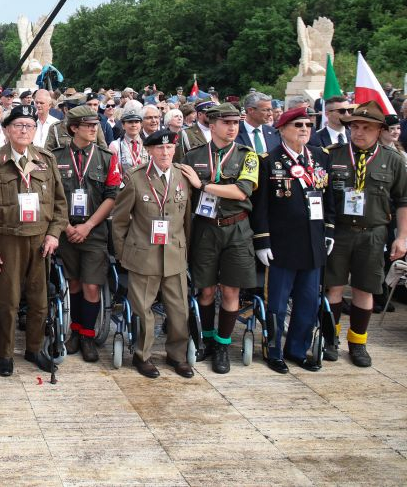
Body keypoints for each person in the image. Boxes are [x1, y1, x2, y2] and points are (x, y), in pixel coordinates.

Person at [0, 104, 68, 377]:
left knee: (40, 300)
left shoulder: (46, 160)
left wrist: (53, 234)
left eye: (29, 125)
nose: (24, 130)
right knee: (9, 301)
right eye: (17, 125)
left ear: (35, 129)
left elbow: (60, 205)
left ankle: (35, 348)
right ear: (6, 130)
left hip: (40, 241)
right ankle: (4, 353)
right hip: (8, 241)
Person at [322, 101, 407, 367]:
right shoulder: (332, 155)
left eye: (366, 128)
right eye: (355, 127)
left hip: (373, 233)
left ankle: (358, 343)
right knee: (333, 287)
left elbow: (403, 201)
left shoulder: (392, 160)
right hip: (339, 233)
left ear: (379, 129)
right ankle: (329, 338)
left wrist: (402, 236)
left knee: (365, 288)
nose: (359, 132)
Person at [180, 102, 260, 374]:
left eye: (236, 123)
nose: (232, 128)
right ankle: (208, 339)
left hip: (236, 228)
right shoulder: (193, 156)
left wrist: (202, 185)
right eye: (226, 123)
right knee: (205, 290)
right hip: (205, 227)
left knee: (231, 290)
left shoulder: (247, 155)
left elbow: (241, 192)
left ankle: (224, 346)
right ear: (211, 126)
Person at [251, 107, 331, 374]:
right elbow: (260, 206)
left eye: (307, 125)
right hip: (282, 245)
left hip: (312, 243)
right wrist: (262, 241)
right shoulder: (268, 160)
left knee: (308, 302)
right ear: (282, 129)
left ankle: (297, 349)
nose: (304, 130)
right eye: (298, 125)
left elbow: (328, 198)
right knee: (276, 302)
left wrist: (328, 231)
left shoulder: (320, 157)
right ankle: (273, 350)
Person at [111, 129, 195, 378]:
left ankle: (177, 355)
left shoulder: (182, 176)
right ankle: (142, 355)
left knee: (179, 310)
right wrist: (123, 253)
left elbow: (186, 220)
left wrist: (184, 250)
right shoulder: (136, 178)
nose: (165, 152)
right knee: (143, 310)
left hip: (174, 254)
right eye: (160, 148)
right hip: (143, 255)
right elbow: (120, 220)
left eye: (170, 148)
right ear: (149, 150)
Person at [50, 105, 122, 362]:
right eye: (88, 125)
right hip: (65, 230)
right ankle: (75, 332)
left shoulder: (106, 156)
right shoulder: (54, 156)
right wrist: (67, 227)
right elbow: (50, 197)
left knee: (92, 284)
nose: (94, 129)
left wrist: (88, 226)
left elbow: (112, 196)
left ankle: (88, 335)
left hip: (94, 230)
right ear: (74, 128)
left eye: (96, 125)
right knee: (74, 284)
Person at [109, 107, 148, 174]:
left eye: (136, 122)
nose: (134, 125)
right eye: (130, 122)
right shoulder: (115, 145)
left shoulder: (148, 144)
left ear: (141, 125)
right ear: (123, 125)